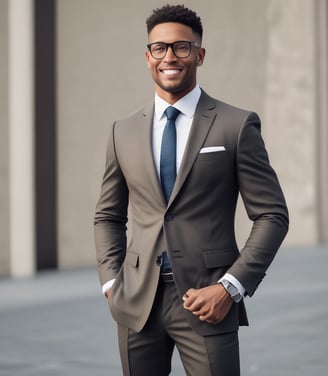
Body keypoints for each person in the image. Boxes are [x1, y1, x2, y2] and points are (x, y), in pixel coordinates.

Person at [94, 4, 289, 375]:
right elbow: (107, 215)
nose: (170, 56)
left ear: (199, 55)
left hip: (207, 299)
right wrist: (111, 282)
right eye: (159, 48)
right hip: (136, 302)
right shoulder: (122, 131)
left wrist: (230, 287)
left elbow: (272, 215)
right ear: (147, 56)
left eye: (182, 47)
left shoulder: (235, 125)